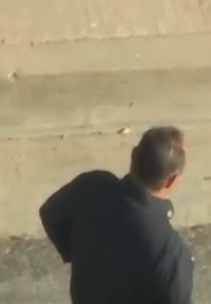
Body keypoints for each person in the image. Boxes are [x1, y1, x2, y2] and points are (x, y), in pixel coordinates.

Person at [39, 125, 195, 304]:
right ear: (171, 180)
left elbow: (50, 213)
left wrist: (81, 252)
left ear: (133, 155)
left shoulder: (91, 186)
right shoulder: (170, 253)